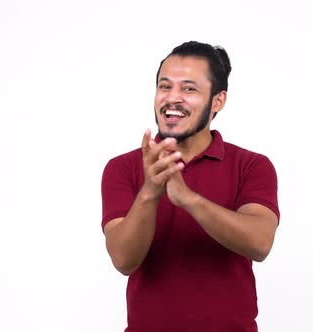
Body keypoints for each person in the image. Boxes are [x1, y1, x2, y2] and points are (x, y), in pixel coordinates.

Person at [100, 41, 280, 332]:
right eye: (164, 86)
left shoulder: (252, 165)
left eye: (189, 89)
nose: (172, 98)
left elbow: (260, 243)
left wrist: (187, 198)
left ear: (218, 101)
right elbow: (123, 260)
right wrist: (149, 192)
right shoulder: (122, 168)